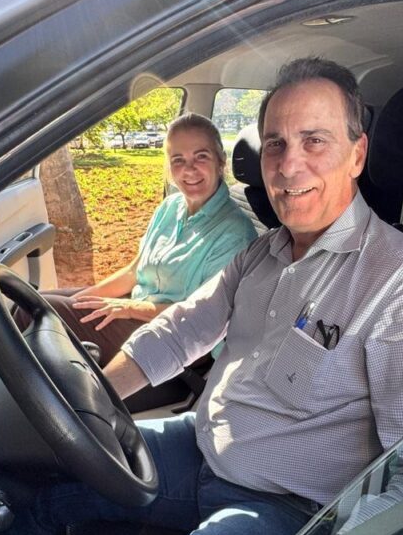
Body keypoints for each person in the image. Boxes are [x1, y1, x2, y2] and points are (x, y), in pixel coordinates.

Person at [0, 58, 403, 535]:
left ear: (357, 153)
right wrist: (93, 399)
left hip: (289, 511)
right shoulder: (262, 254)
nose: (289, 166)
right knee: (37, 484)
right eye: (274, 144)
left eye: (314, 141)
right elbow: (184, 327)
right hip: (202, 446)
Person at [25, 112, 258, 365]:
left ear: (221, 161)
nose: (189, 169)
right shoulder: (170, 207)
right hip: (137, 309)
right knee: (32, 302)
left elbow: (200, 316)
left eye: (201, 156)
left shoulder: (234, 232)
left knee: (36, 316)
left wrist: (127, 309)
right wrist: (79, 301)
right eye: (178, 159)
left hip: (175, 337)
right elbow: (134, 271)